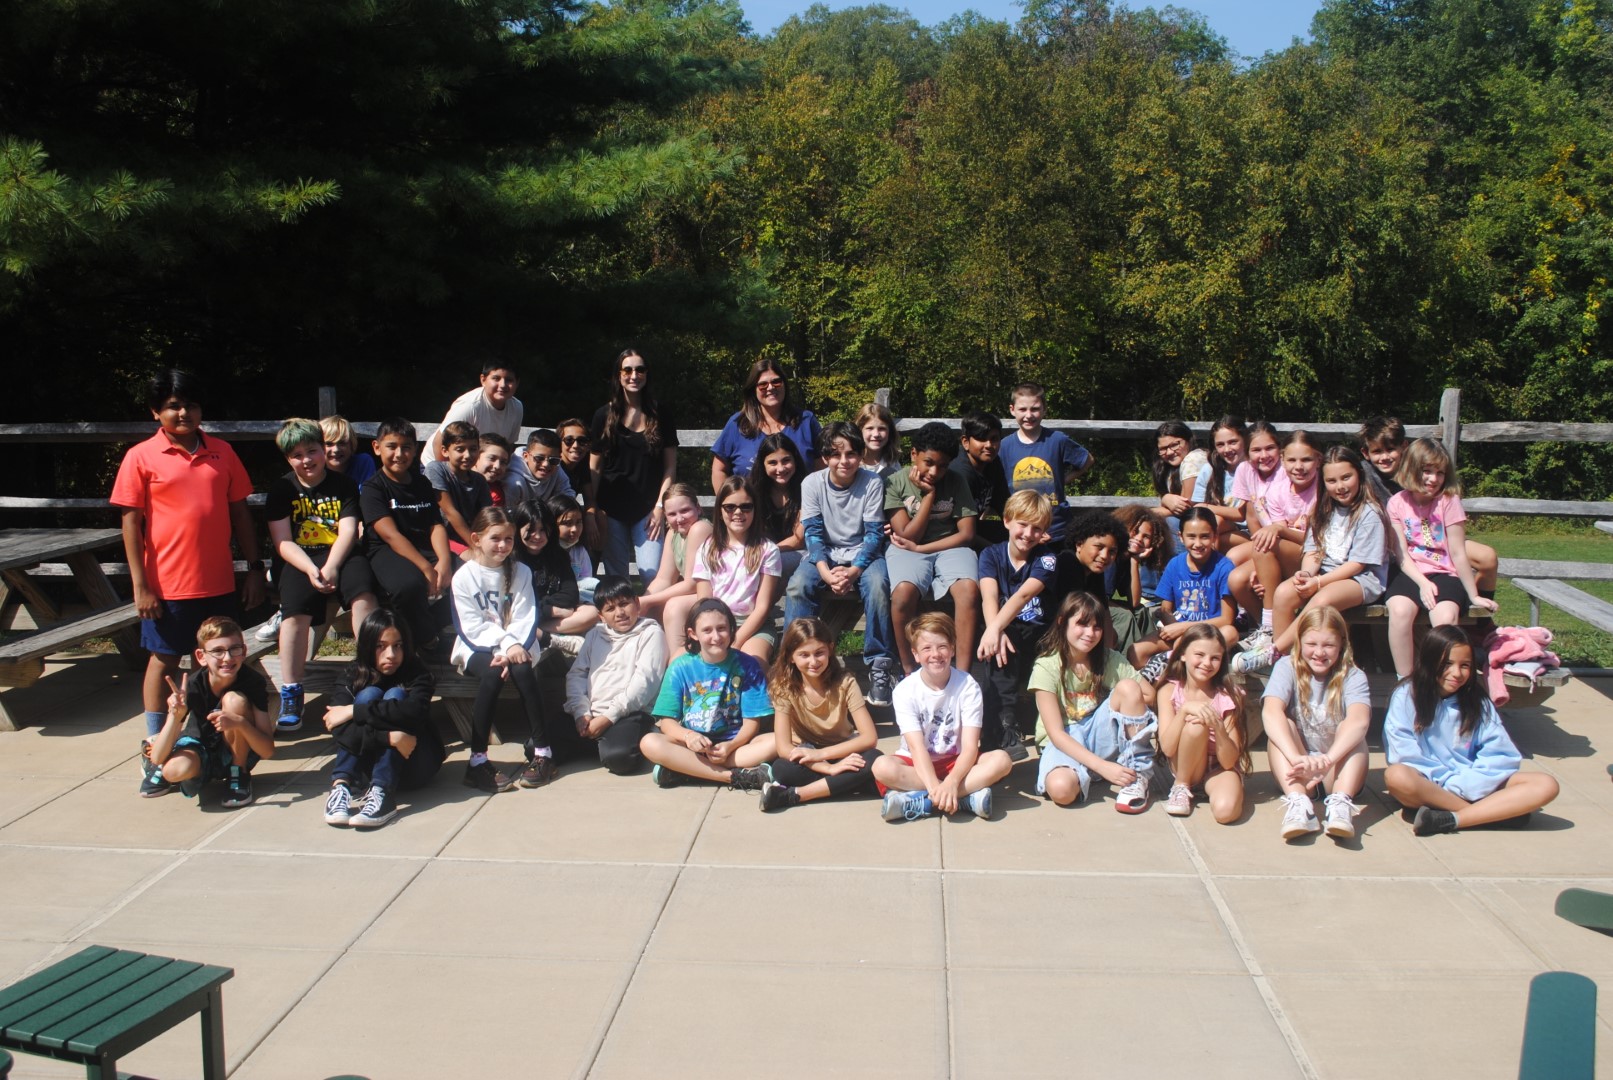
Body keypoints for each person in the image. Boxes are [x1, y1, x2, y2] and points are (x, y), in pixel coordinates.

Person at [114, 369, 265, 798]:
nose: (183, 413)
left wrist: (254, 567)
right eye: (173, 406)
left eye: (190, 405)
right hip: (167, 586)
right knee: (162, 662)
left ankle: (212, 738)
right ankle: (154, 749)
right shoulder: (140, 456)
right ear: (155, 412)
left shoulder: (222, 452)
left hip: (218, 581)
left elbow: (240, 513)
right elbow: (130, 524)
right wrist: (141, 586)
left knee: (219, 663)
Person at [1383, 624, 1559, 835]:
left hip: (1476, 784)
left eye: (1465, 665)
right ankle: (1489, 815)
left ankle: (1451, 819)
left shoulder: (1478, 701)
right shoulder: (1406, 696)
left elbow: (1500, 754)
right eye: (1447, 664)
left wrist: (1468, 784)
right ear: (1429, 662)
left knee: (1546, 784)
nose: (1456, 673)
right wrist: (1448, 785)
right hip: (1429, 787)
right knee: (1397, 776)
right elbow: (1404, 754)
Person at [264, 418, 377, 733]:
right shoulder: (282, 488)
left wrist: (331, 566)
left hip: (340, 553)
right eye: (297, 455)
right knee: (294, 612)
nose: (307, 460)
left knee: (363, 594)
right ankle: (291, 689)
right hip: (300, 557)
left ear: (322, 450)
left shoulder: (343, 485)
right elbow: (283, 541)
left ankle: (369, 672)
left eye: (312, 451)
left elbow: (349, 530)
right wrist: (312, 569)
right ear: (288, 458)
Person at [1235, 446, 1387, 675]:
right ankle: (1285, 665)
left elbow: (1358, 564)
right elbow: (1314, 550)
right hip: (1325, 572)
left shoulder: (1369, 513)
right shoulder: (1323, 509)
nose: (1341, 486)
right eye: (1332, 481)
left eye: (1347, 477)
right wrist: (1306, 573)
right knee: (1285, 592)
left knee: (1322, 598)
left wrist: (1318, 584)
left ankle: (1273, 651)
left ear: (1359, 475)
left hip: (1361, 579)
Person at [450, 507, 565, 794]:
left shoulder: (520, 571)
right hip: (477, 644)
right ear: (476, 539)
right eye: (495, 538)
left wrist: (513, 645)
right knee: (492, 673)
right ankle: (477, 763)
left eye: (509, 539)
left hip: (520, 641)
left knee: (523, 669)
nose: (503, 545)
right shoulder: (464, 577)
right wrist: (503, 646)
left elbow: (526, 615)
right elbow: (471, 626)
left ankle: (544, 753)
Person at [782, 423, 899, 706]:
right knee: (798, 586)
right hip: (825, 554)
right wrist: (825, 571)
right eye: (836, 454)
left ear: (860, 454)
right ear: (825, 457)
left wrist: (854, 570)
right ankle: (794, 659)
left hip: (863, 554)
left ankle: (880, 664)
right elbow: (812, 533)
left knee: (878, 585)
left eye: (850, 454)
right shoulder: (812, 483)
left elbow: (873, 534)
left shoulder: (871, 482)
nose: (843, 461)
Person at [872, 613, 1013, 822]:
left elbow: (970, 746)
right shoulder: (904, 690)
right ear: (916, 654)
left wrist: (952, 782)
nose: (935, 654)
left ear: (952, 649)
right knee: (881, 767)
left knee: (1002, 761)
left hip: (956, 761)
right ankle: (964, 799)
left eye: (942, 647)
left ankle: (923, 802)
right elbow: (917, 748)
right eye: (927, 648)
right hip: (916, 764)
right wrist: (936, 786)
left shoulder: (968, 686)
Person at [1031, 592, 1158, 812]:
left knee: (1128, 687)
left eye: (1097, 627)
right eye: (1082, 624)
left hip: (1099, 734)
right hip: (1065, 739)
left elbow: (1148, 695)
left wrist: (1117, 702)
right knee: (1061, 791)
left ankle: (1137, 773)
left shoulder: (1109, 659)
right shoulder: (1046, 666)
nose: (1090, 633)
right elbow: (1057, 734)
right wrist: (1103, 767)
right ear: (1062, 622)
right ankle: (1090, 770)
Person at [1383, 438, 1498, 677]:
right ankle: (1404, 681)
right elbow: (1401, 554)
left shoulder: (1448, 501)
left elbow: (1457, 551)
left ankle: (1441, 680)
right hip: (1410, 571)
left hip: (1444, 571)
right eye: (1427, 471)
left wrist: (1474, 595)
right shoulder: (1396, 503)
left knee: (1445, 617)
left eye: (1440, 473)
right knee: (1400, 611)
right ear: (1412, 470)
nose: (1433, 479)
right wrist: (1423, 583)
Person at [321, 609, 445, 828]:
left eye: (398, 646)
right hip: (375, 760)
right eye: (381, 646)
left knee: (395, 696)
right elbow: (337, 728)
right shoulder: (353, 674)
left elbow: (414, 712)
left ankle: (382, 793)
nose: (391, 654)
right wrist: (390, 737)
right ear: (369, 646)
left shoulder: (417, 674)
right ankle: (341, 786)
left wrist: (353, 711)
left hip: (416, 761)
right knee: (368, 694)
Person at [640, 598, 775, 789]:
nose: (716, 636)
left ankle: (686, 770)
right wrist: (688, 736)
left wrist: (731, 746)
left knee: (777, 741)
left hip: (735, 746)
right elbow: (667, 722)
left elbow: (752, 724)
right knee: (649, 742)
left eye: (722, 628)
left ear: (731, 630)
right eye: (707, 630)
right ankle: (733, 777)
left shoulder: (748, 665)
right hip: (693, 746)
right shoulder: (680, 667)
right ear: (692, 634)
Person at [1261, 607, 1370, 842]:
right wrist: (1296, 757)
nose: (1319, 653)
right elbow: (1270, 712)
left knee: (1353, 733)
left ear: (1342, 643)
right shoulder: (1286, 666)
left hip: (1335, 770)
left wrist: (1328, 760)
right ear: (1299, 641)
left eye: (1328, 645)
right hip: (1298, 768)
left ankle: (1340, 805)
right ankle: (1299, 805)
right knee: (1282, 726)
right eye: (1312, 644)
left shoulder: (1353, 675)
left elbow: (1360, 720)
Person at [143, 617, 275, 809]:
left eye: (234, 649)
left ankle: (238, 773)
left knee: (234, 700)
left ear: (244, 651)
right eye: (218, 651)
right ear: (201, 656)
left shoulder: (253, 682)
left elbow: (267, 750)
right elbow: (158, 756)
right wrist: (175, 715)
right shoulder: (192, 685)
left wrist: (240, 723)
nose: (228, 658)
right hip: (199, 746)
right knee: (173, 771)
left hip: (238, 748)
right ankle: (160, 762)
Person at [1361, 416, 1499, 594]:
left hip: (1433, 536)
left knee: (1487, 557)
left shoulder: (1420, 465)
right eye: (1377, 451)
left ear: (1404, 446)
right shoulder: (1364, 474)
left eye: (1390, 449)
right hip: (1395, 544)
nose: (1385, 457)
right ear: (1366, 453)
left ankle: (1479, 617)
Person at [758, 617, 882, 812]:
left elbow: (869, 737)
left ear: (830, 649)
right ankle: (851, 784)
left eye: (819, 653)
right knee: (782, 769)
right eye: (804, 655)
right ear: (791, 656)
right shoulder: (783, 688)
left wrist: (823, 755)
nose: (813, 662)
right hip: (808, 755)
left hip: (843, 750)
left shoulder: (845, 682)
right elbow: (783, 748)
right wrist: (828, 768)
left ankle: (795, 795)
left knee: (875, 758)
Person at [885, 421, 980, 674]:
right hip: (906, 547)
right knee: (903, 593)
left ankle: (963, 673)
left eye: (943, 465)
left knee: (969, 590)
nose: (935, 471)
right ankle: (909, 670)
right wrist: (928, 496)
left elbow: (967, 534)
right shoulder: (895, 482)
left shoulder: (957, 481)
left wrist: (922, 550)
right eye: (929, 462)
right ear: (913, 454)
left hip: (949, 546)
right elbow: (908, 534)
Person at [973, 490, 1060, 760]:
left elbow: (1023, 596)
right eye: (1023, 524)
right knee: (1000, 649)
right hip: (1007, 632)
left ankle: (1007, 728)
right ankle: (1003, 728)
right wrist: (993, 632)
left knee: (1005, 638)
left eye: (1037, 528)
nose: (1028, 534)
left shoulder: (1046, 558)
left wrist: (994, 630)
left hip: (1040, 633)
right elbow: (988, 596)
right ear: (1007, 520)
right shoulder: (990, 554)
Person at [360, 418, 453, 648]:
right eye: (392, 446)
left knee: (468, 576)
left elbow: (435, 525)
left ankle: (432, 627)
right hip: (386, 549)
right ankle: (422, 640)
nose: (399, 454)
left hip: (423, 544)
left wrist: (444, 561)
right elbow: (390, 535)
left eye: (406, 447)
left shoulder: (421, 483)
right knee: (409, 586)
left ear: (415, 450)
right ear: (376, 447)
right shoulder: (373, 488)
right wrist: (425, 568)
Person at [1227, 429, 1321, 654]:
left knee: (1266, 542)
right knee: (1237, 579)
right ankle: (1264, 627)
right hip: (1289, 549)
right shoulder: (1279, 491)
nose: (1299, 466)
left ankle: (1270, 629)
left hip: (1314, 555)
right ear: (1285, 460)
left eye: (1306, 459)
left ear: (1318, 460)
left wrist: (1277, 529)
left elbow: (1313, 539)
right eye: (1293, 460)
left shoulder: (1322, 490)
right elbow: (1273, 528)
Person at [589, 349, 679, 583]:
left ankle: (653, 619)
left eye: (640, 369)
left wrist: (661, 506)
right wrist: (594, 508)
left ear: (647, 374)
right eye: (627, 370)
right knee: (617, 579)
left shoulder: (661, 414)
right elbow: (594, 467)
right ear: (618, 375)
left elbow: (670, 467)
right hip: (611, 510)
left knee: (652, 574)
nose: (634, 375)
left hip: (649, 511)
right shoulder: (603, 415)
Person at [564, 576, 668, 776]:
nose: (620, 613)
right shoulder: (595, 635)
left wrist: (607, 718)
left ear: (637, 603)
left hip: (627, 714)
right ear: (601, 616)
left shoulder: (651, 633)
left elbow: (644, 682)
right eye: (610, 609)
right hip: (590, 714)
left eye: (624, 604)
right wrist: (581, 713)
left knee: (621, 759)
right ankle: (600, 742)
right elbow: (576, 675)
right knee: (537, 747)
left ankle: (605, 742)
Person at [1130, 507, 1239, 679]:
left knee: (1230, 633)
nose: (1197, 543)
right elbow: (1165, 609)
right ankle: (1171, 660)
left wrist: (1184, 629)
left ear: (1214, 537)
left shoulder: (1224, 567)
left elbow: (1227, 619)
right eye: (1191, 536)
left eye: (1204, 536)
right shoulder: (1175, 564)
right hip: (1178, 630)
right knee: (1135, 652)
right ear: (1181, 537)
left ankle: (1168, 665)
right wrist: (1172, 625)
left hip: (1210, 632)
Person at [1157, 623, 1248, 823]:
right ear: (1182, 655)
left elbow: (1228, 761)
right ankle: (1181, 786)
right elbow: (1168, 747)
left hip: (1218, 767)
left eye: (1215, 658)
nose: (1207, 663)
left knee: (1227, 813)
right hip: (1185, 766)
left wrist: (1217, 725)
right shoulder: (1168, 692)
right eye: (1199, 655)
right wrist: (1184, 712)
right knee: (1195, 725)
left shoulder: (1229, 696)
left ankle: (1209, 790)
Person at [693, 476, 784, 661]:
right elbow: (705, 603)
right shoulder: (706, 549)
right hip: (716, 624)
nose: (738, 512)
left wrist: (736, 641)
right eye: (730, 507)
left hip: (754, 626)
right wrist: (717, 635)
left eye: (746, 507)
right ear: (719, 511)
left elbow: (763, 606)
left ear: (754, 510)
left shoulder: (768, 550)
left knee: (752, 664)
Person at [997, 381, 1092, 543]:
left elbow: (1087, 460)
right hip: (1021, 530)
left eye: (1034, 409)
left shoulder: (1057, 440)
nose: (1029, 415)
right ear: (1012, 410)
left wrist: (1062, 480)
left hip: (1057, 527)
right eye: (1022, 409)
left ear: (1044, 409)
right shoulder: (1004, 446)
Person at [710, 357, 822, 489]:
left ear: (785, 384)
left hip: (801, 507)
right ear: (753, 389)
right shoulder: (737, 424)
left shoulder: (806, 421)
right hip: (751, 508)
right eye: (763, 384)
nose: (770, 388)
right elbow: (719, 470)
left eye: (776, 382)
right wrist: (728, 505)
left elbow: (822, 469)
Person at [637, 483, 714, 654]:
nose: (679, 518)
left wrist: (648, 601)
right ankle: (653, 659)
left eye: (685, 510)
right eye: (672, 514)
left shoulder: (700, 528)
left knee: (673, 606)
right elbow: (664, 578)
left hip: (713, 592)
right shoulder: (674, 533)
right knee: (647, 608)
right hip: (696, 592)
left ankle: (677, 661)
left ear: (698, 508)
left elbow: (692, 584)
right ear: (665, 515)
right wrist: (641, 601)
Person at [508, 499, 596, 642]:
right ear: (518, 530)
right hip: (521, 616)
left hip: (545, 618)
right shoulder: (513, 560)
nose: (537, 536)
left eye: (543, 530)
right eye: (530, 530)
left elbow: (571, 594)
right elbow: (518, 604)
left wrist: (544, 607)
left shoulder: (558, 555)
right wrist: (552, 610)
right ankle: (552, 638)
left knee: (591, 612)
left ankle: (541, 631)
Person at [425, 361, 523, 463]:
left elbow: (508, 446)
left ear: (517, 383)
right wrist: (445, 475)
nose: (503, 385)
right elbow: (439, 442)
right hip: (438, 464)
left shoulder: (517, 407)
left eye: (509, 380)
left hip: (481, 468)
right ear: (483, 380)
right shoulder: (469, 405)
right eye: (496, 378)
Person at [1107, 502, 1172, 653]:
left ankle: (1156, 655)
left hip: (1103, 601)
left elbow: (1135, 602)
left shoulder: (1127, 559)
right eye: (1135, 532)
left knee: (1141, 611)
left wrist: (1134, 561)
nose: (1138, 538)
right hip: (1087, 600)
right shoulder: (1110, 554)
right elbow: (1099, 597)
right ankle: (1132, 660)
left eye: (1146, 536)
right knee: (1125, 616)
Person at [424, 420, 492, 555]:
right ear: (445, 451)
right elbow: (450, 513)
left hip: (469, 536)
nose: (467, 455)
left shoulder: (479, 480)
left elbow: (487, 515)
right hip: (440, 537)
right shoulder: (436, 470)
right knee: (473, 559)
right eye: (460, 449)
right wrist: (476, 547)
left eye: (473, 449)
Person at [950, 409, 1009, 548]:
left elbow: (1005, 505)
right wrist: (998, 551)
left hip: (975, 528)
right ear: (965, 442)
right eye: (981, 438)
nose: (989, 445)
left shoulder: (993, 462)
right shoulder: (960, 473)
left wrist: (1026, 530)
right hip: (950, 536)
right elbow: (961, 532)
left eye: (994, 439)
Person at [752, 432, 807, 581]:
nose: (781, 468)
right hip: (765, 552)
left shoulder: (807, 488)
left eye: (786, 460)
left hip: (800, 553)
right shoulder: (754, 492)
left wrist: (767, 553)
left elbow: (799, 539)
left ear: (795, 460)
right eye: (773, 463)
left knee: (771, 564)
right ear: (762, 464)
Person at [1191, 415, 1250, 548]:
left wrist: (1207, 507)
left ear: (1245, 440)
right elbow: (1196, 506)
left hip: (1249, 531)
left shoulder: (1252, 471)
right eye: (1220, 445)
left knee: (1210, 531)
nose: (1227, 449)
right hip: (1217, 527)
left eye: (1233, 442)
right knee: (1209, 527)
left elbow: (1241, 515)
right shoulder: (1209, 470)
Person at [1152, 420, 1209, 534]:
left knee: (1170, 523)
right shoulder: (1168, 469)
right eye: (1163, 449)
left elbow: (1185, 508)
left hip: (1207, 520)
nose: (1169, 452)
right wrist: (1166, 499)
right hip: (1194, 519)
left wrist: (1152, 510)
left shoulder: (1193, 459)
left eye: (1174, 445)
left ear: (1188, 441)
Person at [545, 494, 599, 606]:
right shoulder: (546, 551)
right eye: (567, 523)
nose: (574, 529)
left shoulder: (579, 550)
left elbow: (587, 579)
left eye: (578, 522)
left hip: (578, 594)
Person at [510, 429, 578, 505]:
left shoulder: (556, 468)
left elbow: (568, 495)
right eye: (539, 458)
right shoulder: (513, 481)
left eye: (553, 460)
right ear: (526, 456)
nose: (546, 464)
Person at [321, 414, 376, 488]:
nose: (336, 450)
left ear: (351, 444)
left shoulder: (362, 463)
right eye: (329, 444)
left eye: (342, 443)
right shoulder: (314, 469)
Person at [855, 401, 900, 477]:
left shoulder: (893, 464)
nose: (876, 434)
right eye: (870, 428)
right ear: (859, 430)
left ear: (890, 431)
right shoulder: (852, 464)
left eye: (882, 428)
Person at [556, 417, 594, 504]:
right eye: (569, 440)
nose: (576, 445)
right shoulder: (553, 466)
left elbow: (589, 500)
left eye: (582, 441)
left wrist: (590, 514)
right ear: (559, 443)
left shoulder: (583, 466)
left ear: (588, 446)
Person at [473, 433, 513, 507]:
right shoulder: (453, 479)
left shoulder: (495, 495)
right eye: (492, 458)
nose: (497, 466)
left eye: (503, 462)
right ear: (476, 456)